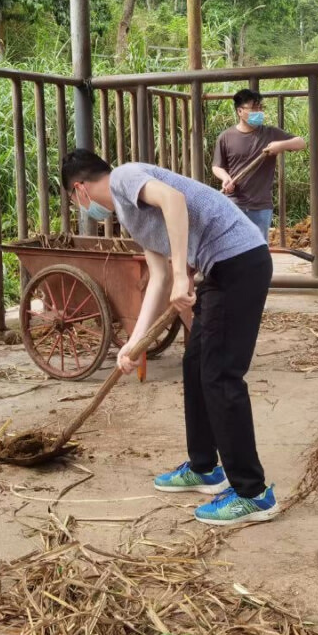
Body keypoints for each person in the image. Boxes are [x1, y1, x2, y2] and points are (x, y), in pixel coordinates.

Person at [60, 149, 280, 526]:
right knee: (195, 365)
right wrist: (135, 343)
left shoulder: (125, 177)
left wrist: (182, 275)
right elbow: (158, 279)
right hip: (221, 269)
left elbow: (174, 200)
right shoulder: (129, 214)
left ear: (79, 189)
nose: (80, 206)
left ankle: (253, 493)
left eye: (72, 199)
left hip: (239, 262)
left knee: (220, 375)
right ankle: (204, 467)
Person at [211, 89, 305, 241]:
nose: (259, 112)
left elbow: (301, 143)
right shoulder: (226, 137)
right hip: (234, 204)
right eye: (254, 108)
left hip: (261, 206)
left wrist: (280, 145)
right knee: (235, 247)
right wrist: (225, 178)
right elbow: (217, 166)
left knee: (259, 248)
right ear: (240, 111)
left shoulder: (270, 133)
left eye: (261, 107)